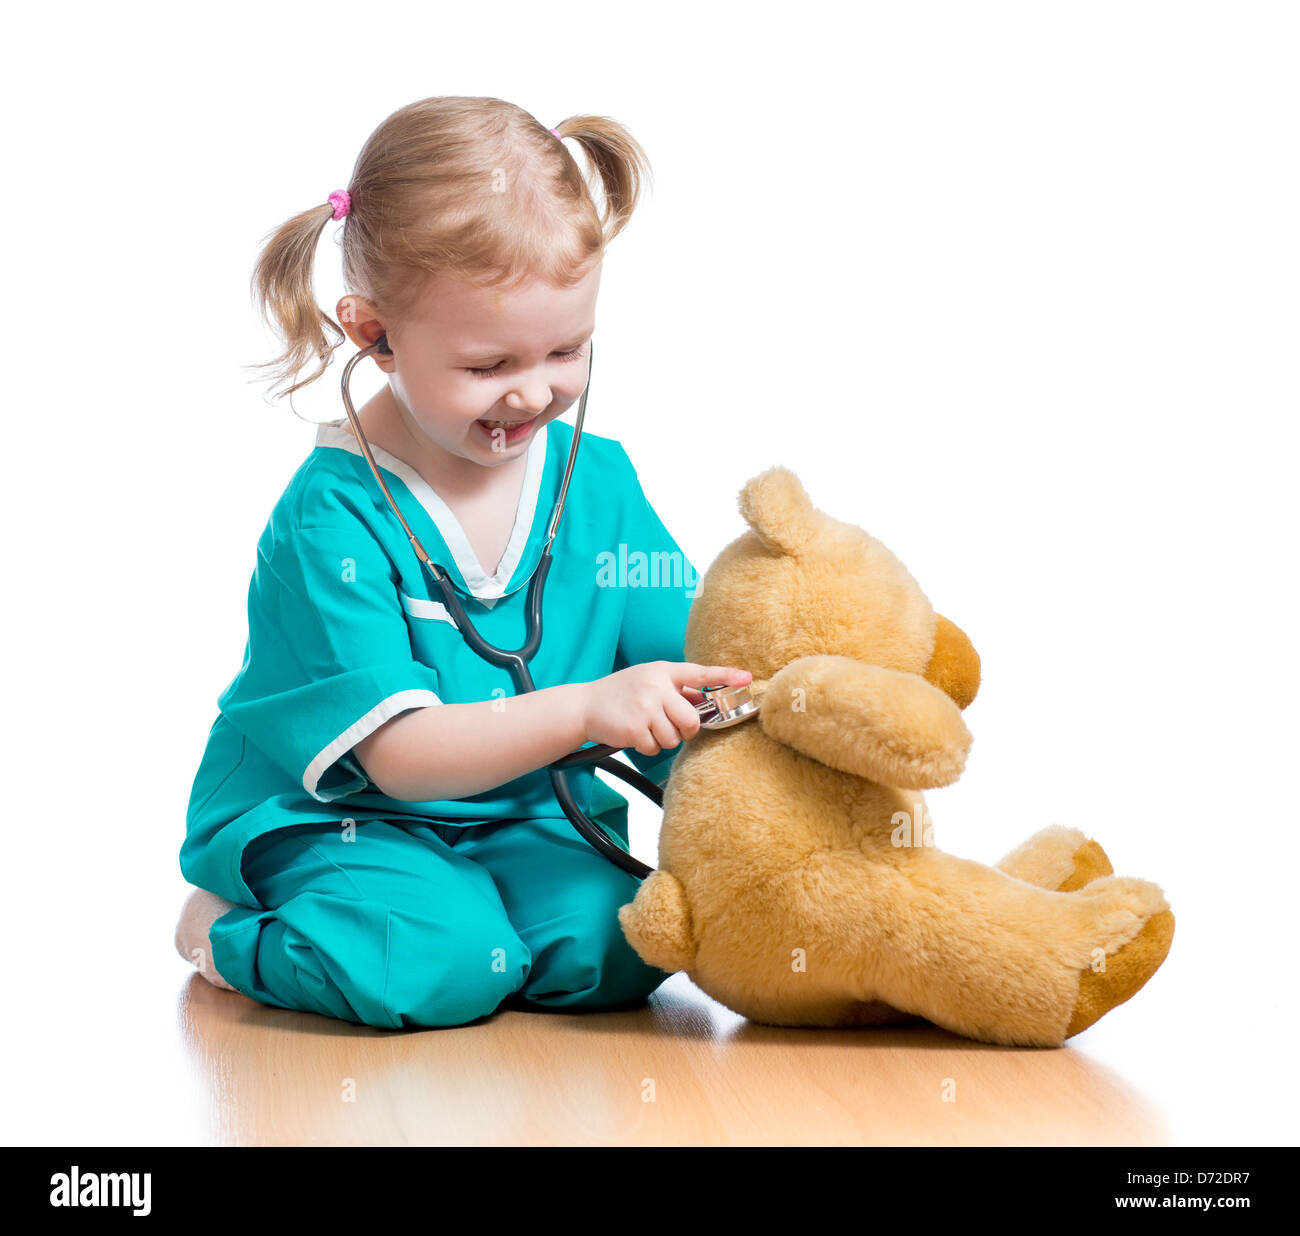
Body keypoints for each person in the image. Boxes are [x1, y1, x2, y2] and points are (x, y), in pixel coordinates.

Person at [173, 95, 750, 1029]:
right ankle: (229, 933)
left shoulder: (591, 482)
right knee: (430, 968)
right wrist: (586, 707)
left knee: (622, 946)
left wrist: (781, 684)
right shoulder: (332, 521)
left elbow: (689, 647)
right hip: (345, 823)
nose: (534, 392)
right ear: (375, 335)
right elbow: (399, 758)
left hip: (523, 817)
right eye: (488, 365)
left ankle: (488, 919)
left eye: (567, 349)